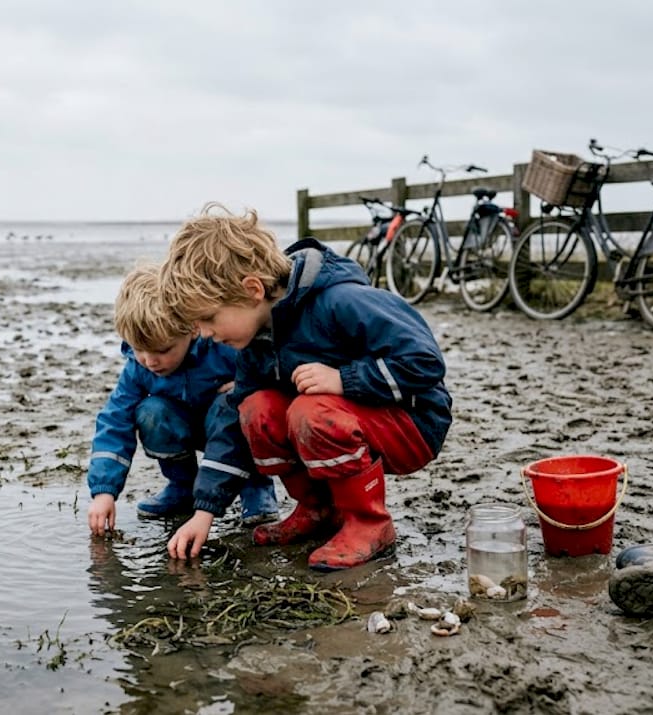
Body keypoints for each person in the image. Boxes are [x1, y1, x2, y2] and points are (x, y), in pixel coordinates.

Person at [160, 203, 453, 571]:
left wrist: (343, 380)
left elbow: (425, 362)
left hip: (413, 423)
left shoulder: (340, 300)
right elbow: (234, 425)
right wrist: (205, 511)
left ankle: (368, 523)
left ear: (252, 290)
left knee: (310, 411)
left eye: (207, 319)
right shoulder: (256, 341)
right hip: (342, 420)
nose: (203, 334)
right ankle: (318, 509)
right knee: (255, 409)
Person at [86, 265, 279, 537]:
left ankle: (256, 488)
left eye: (163, 350)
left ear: (193, 328)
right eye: (139, 350)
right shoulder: (137, 368)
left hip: (230, 430)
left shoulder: (224, 346)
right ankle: (183, 486)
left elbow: (270, 368)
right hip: (184, 426)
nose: (150, 361)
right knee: (151, 412)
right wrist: (103, 492)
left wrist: (248, 384)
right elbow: (115, 420)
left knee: (242, 405)